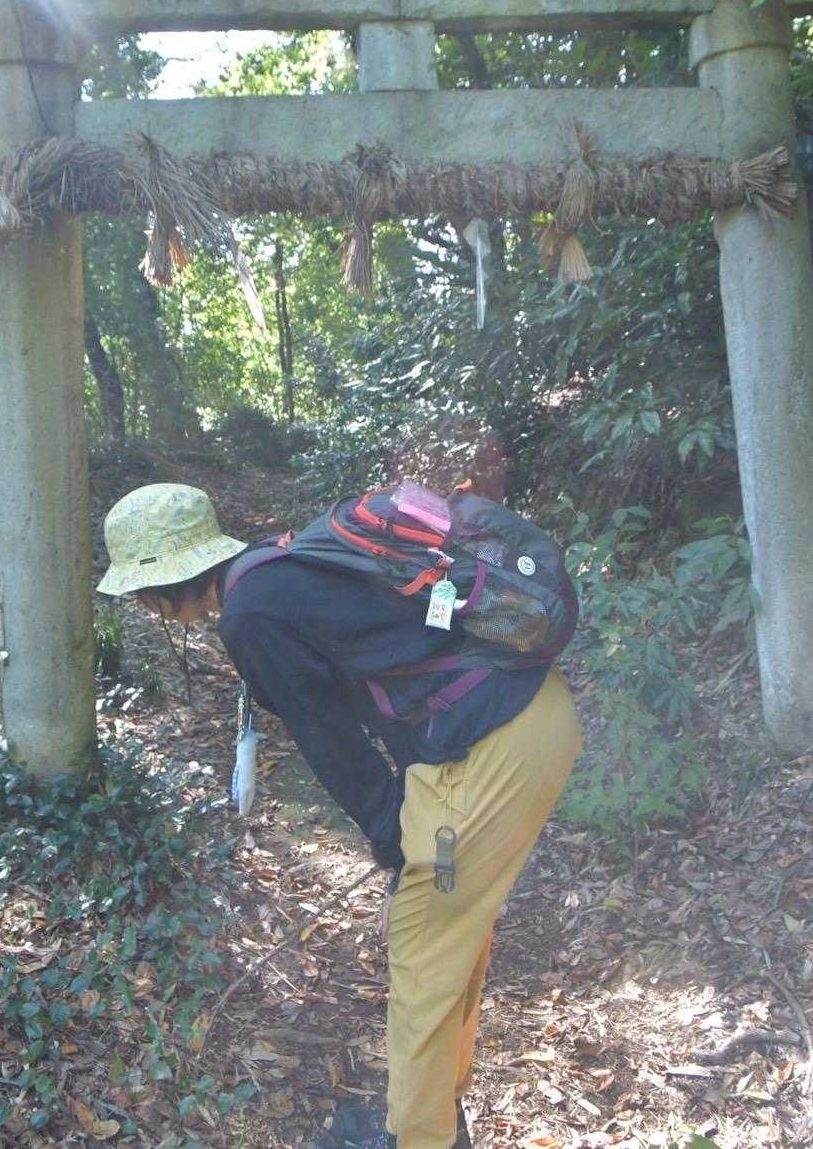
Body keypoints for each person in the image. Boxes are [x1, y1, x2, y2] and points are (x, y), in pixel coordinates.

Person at [97, 483, 583, 1149]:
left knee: (424, 946)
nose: (143, 606)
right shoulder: (277, 564)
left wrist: (392, 835)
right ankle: (433, 1113)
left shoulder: (250, 615)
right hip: (526, 714)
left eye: (139, 592)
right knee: (451, 936)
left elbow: (329, 737)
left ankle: (421, 1139)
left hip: (492, 745)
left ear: (159, 587)